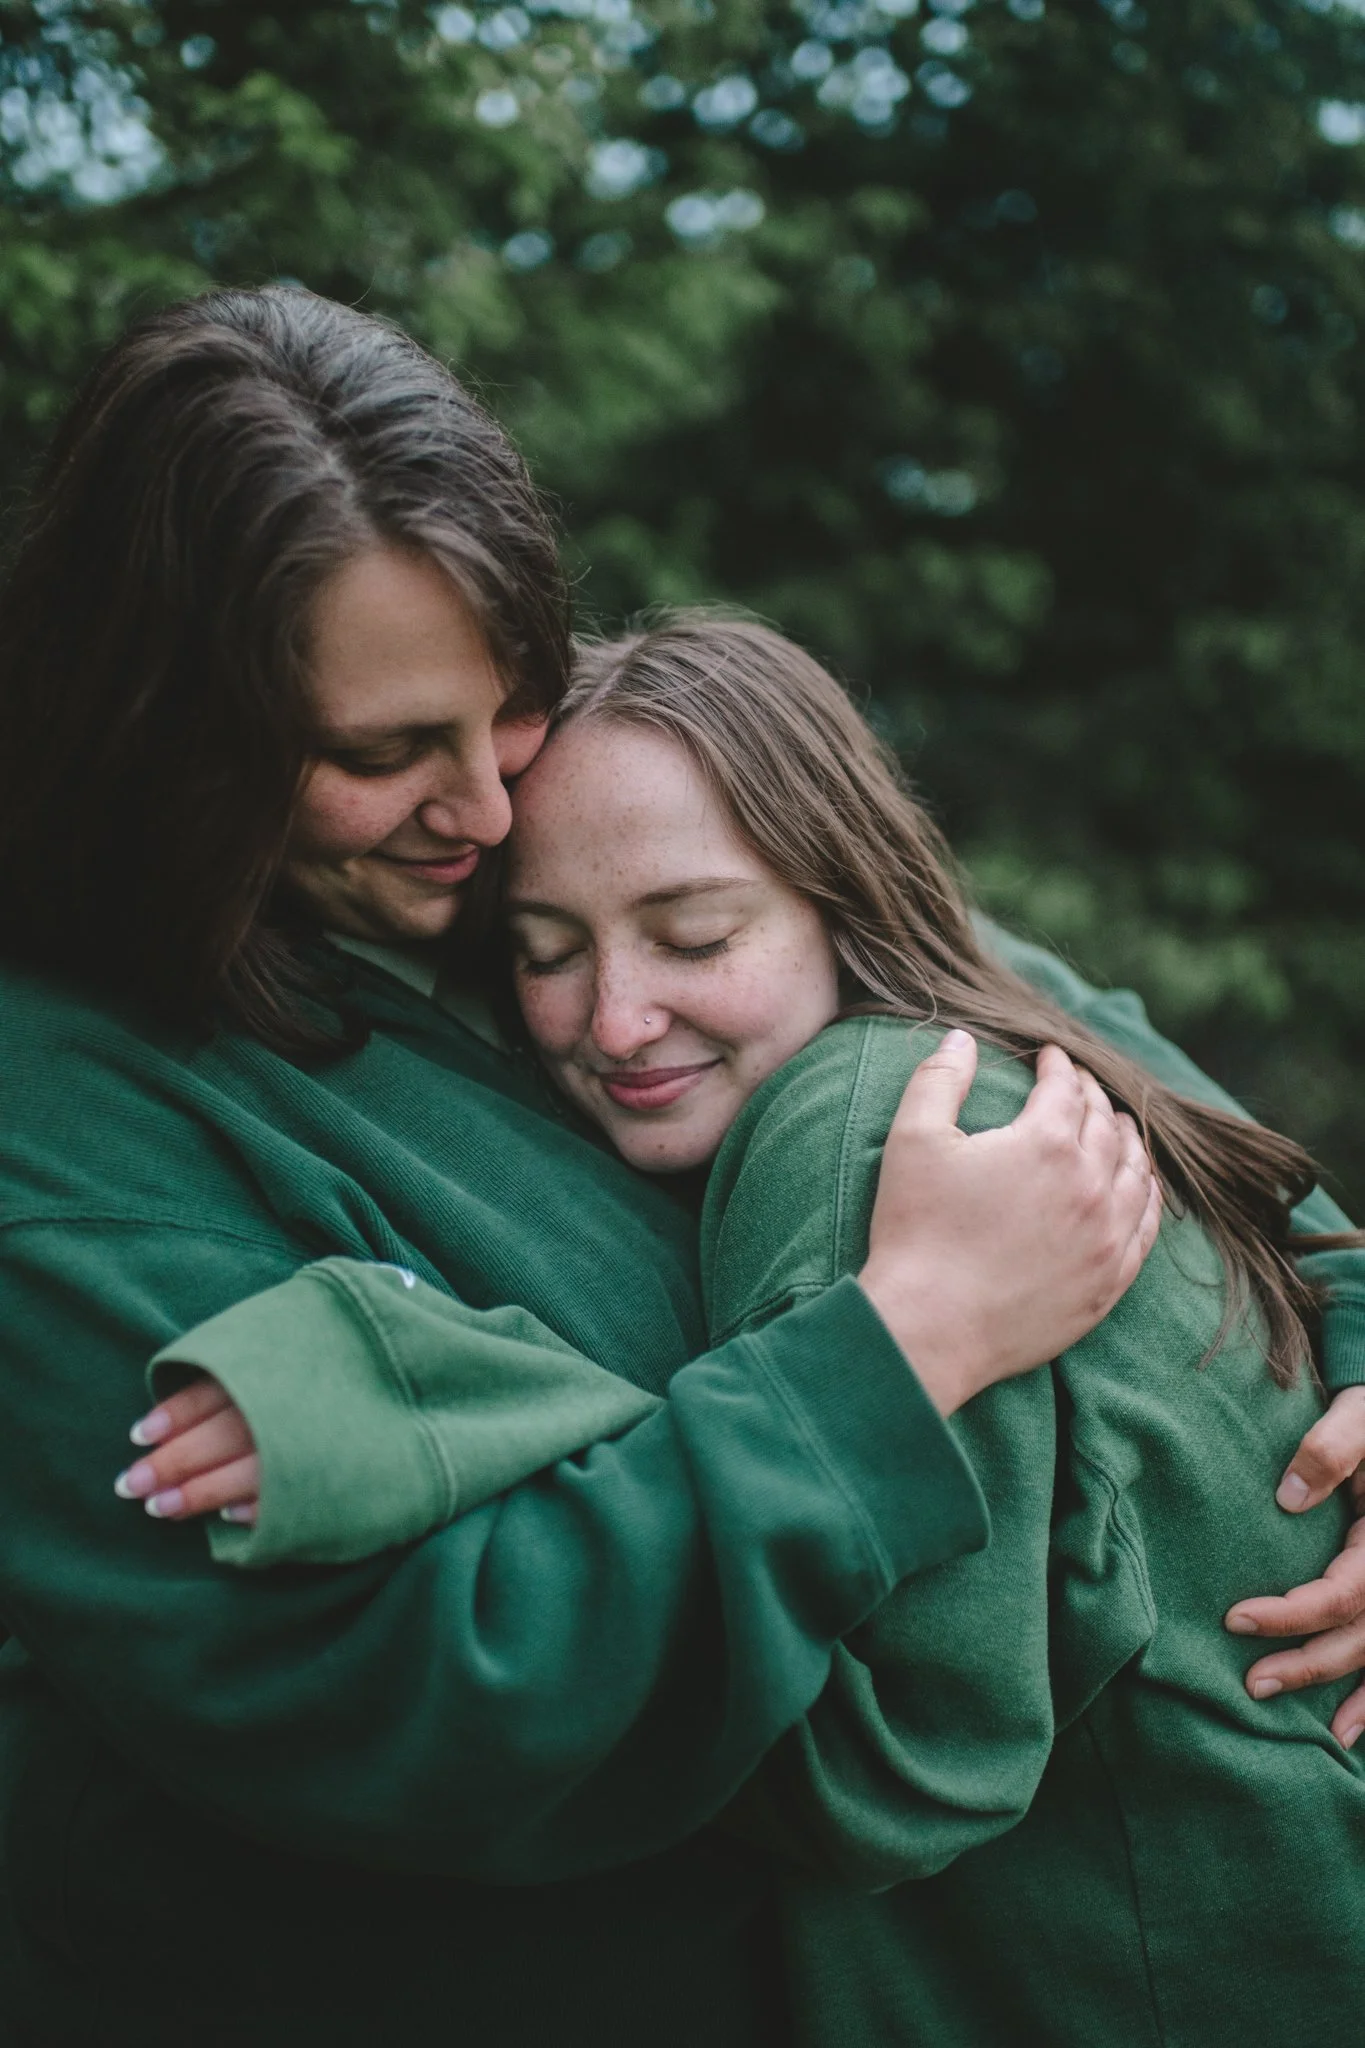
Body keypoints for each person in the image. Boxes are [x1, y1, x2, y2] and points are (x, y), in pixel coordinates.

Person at [0, 286, 1168, 2048]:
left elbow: (1079, 1039)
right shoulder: (71, 1131)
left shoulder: (532, 847)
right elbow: (416, 1691)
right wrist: (907, 1340)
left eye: (509, 707)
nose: (480, 810)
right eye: (382, 755)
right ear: (170, 730)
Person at [139, 616, 1365, 2045]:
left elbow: (887, 1765)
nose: (615, 1017)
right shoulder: (975, 1052)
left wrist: (436, 1395)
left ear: (841, 898)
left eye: (696, 935)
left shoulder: (852, 1136)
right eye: (545, 951)